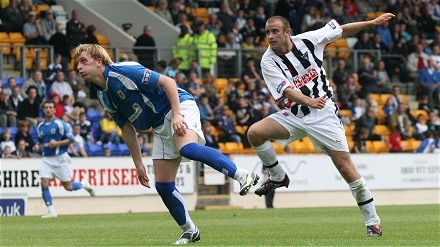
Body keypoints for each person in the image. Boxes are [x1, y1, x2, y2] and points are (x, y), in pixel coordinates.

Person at [74, 44, 259, 244]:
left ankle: (243, 175)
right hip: (159, 125)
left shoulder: (123, 71)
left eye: (83, 61)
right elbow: (126, 129)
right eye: (77, 63)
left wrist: (178, 115)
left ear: (99, 61)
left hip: (178, 106)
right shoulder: (102, 94)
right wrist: (138, 163)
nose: (78, 67)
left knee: (186, 148)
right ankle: (190, 230)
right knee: (163, 185)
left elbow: (168, 82)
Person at [246, 14, 394, 237]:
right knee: (255, 133)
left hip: (323, 115)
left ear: (287, 32)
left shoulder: (308, 40)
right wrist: (308, 101)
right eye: (267, 32)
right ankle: (278, 176)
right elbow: (286, 91)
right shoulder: (268, 61)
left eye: (274, 31)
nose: (270, 36)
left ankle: (373, 222)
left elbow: (342, 30)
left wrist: (371, 24)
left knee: (346, 168)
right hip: (296, 114)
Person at [31, 100, 95, 218]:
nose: (48, 109)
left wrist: (57, 144)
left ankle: (83, 184)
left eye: (51, 107)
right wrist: (37, 146)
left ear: (55, 110)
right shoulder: (40, 126)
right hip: (47, 159)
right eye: (46, 108)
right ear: (43, 110)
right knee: (44, 182)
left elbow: (71, 139)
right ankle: (51, 211)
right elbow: (40, 141)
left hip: (60, 158)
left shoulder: (60, 124)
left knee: (68, 187)